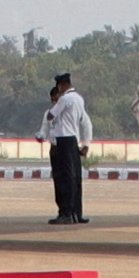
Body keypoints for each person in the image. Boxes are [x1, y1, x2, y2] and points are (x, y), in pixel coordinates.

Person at [41, 72, 93, 223]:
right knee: (74, 178)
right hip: (73, 140)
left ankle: (65, 213)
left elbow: (51, 115)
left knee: (63, 179)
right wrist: (86, 144)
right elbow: (85, 122)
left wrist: (55, 109)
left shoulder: (64, 99)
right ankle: (76, 213)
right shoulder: (79, 99)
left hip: (62, 141)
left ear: (61, 85)